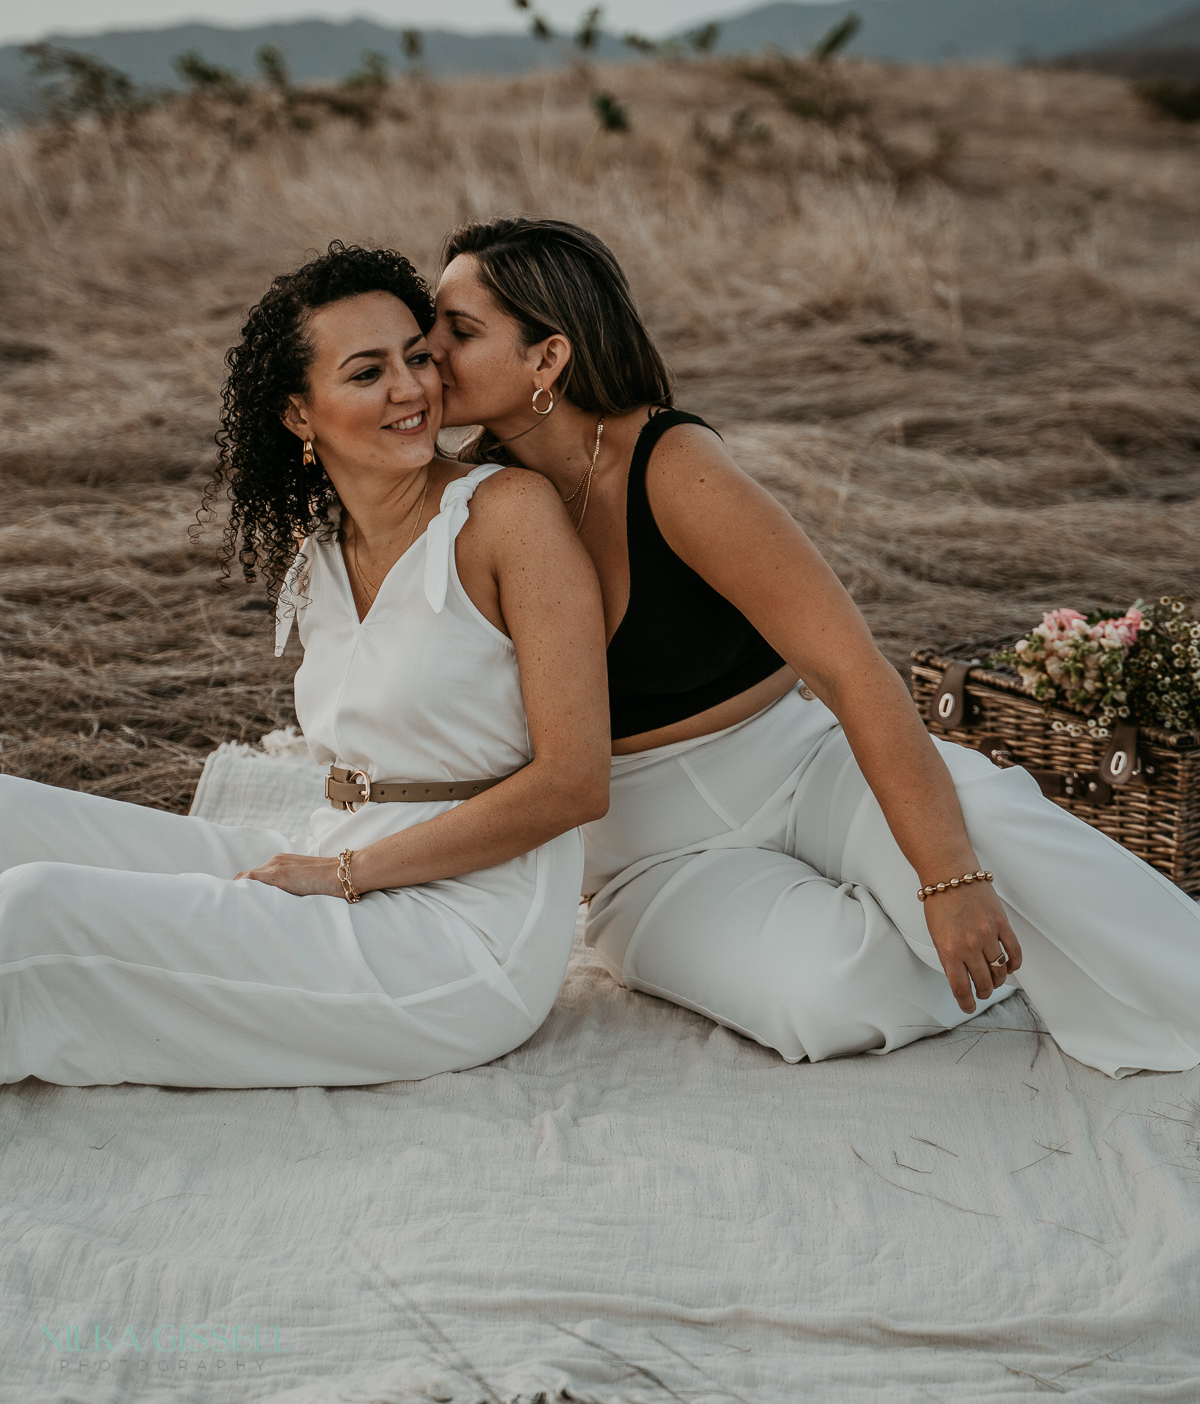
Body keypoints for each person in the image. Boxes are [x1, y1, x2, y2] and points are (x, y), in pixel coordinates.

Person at [428, 215, 1200, 1080]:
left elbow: (848, 666)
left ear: (548, 358)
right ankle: (974, 948)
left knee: (998, 835)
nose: (429, 351)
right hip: (646, 855)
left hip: (800, 770)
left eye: (459, 331)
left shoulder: (668, 465)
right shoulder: (476, 501)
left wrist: (949, 876)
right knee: (825, 996)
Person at [0, 242, 609, 1088]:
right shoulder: (320, 547)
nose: (411, 390)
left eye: (418, 358)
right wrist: (328, 867)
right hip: (340, 866)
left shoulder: (507, 516)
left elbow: (576, 784)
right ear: (299, 415)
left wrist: (339, 875)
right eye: (367, 373)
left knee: (35, 915)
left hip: (458, 940)